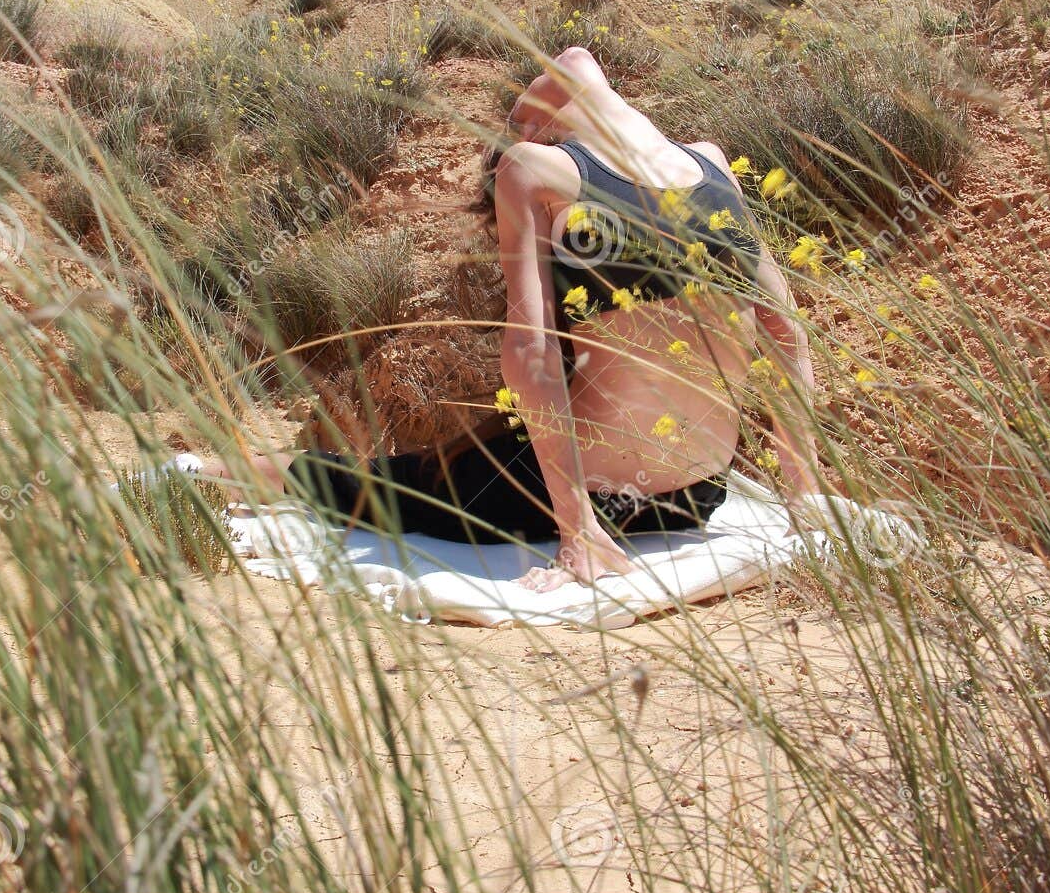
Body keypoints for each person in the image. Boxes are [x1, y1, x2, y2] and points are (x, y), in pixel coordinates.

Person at [195, 46, 824, 593]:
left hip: (609, 503)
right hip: (698, 498)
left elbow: (532, 358)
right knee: (428, 471)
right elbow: (786, 334)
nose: (518, 131)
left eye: (521, 127)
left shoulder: (535, 166)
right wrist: (805, 496)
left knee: (388, 485)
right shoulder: (712, 166)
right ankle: (220, 474)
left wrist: (579, 532)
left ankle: (212, 473)